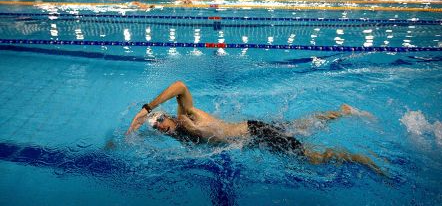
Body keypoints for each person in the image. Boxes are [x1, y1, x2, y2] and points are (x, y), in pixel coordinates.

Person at [126, 81, 382, 174]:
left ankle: (358, 158)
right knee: (302, 126)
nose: (159, 127)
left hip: (257, 133)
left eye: (160, 120)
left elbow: (180, 86)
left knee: (312, 160)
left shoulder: (184, 119)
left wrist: (147, 109)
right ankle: (342, 112)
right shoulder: (177, 135)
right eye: (155, 127)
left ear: (168, 116)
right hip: (254, 134)